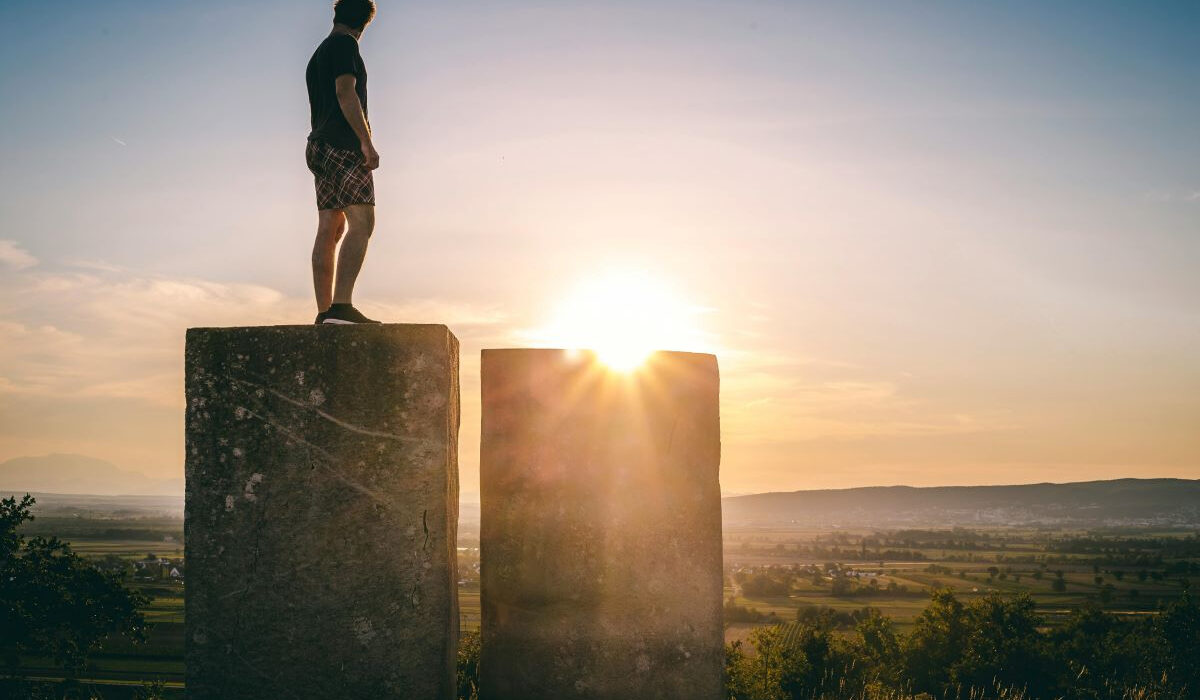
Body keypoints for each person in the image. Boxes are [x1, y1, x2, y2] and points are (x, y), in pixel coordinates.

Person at [305, 0, 382, 324]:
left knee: (330, 228)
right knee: (362, 222)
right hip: (342, 144)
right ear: (364, 24)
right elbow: (345, 91)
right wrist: (365, 141)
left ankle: (326, 313)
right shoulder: (345, 45)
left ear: (336, 13)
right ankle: (341, 306)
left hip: (318, 145)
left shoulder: (319, 53)